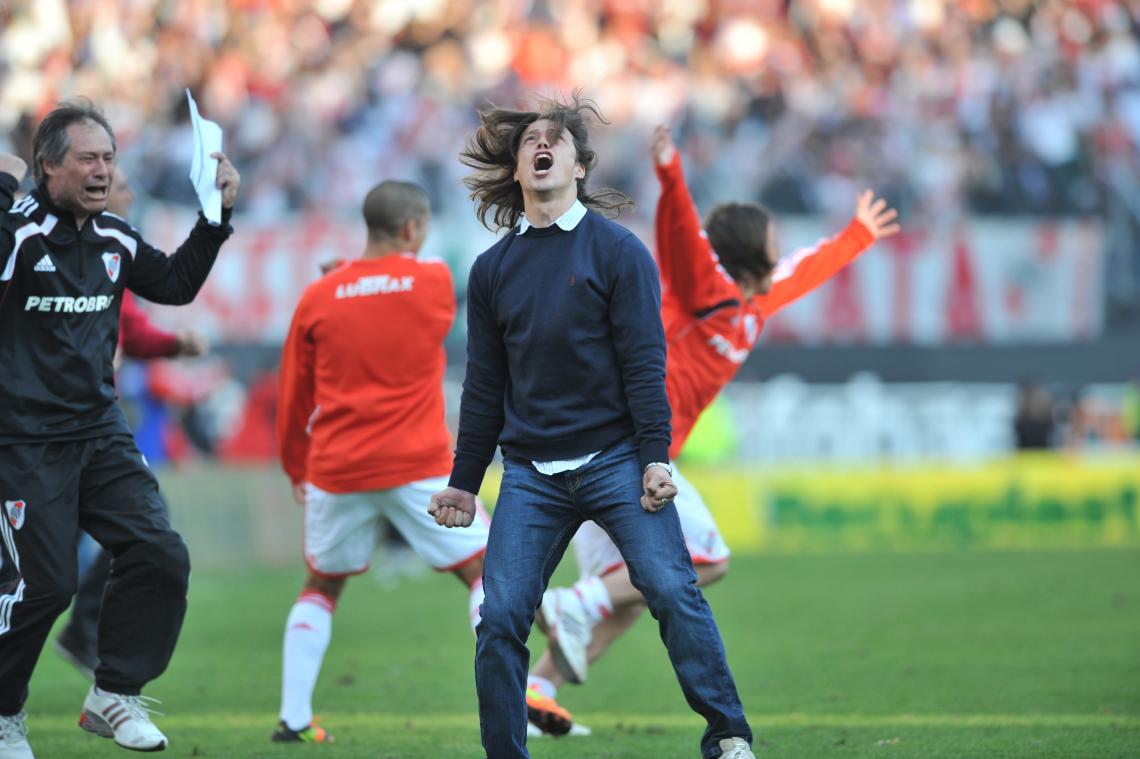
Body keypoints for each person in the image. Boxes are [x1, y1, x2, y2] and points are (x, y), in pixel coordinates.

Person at [525, 124, 901, 732]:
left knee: (634, 590)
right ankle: (572, 603)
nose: (781, 244)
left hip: (624, 446)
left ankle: (537, 688)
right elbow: (680, 238)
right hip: (624, 444)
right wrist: (672, 173)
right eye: (772, 236)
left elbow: (807, 270)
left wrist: (858, 235)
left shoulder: (755, 303)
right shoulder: (708, 289)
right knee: (708, 560)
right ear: (752, 247)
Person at [428, 94, 756, 759]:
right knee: (499, 620)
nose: (541, 147)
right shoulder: (491, 271)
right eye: (529, 142)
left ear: (579, 165)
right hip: (530, 476)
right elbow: (485, 386)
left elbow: (645, 363)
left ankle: (727, 735)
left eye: (556, 140)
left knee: (671, 586)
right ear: (519, 168)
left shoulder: (619, 252)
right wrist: (464, 482)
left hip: (615, 460)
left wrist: (655, 457)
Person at [0, 99, 240, 758]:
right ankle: (3, 713)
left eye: (109, 157)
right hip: (21, 440)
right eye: (88, 158)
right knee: (44, 587)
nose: (103, 170)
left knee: (160, 552)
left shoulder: (114, 237)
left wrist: (215, 216)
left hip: (99, 432)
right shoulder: (18, 232)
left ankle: (115, 692)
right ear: (48, 167)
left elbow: (175, 283)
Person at [274, 180, 489, 744]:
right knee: (486, 573)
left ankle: (293, 717)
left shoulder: (319, 295)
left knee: (321, 584)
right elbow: (402, 301)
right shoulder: (433, 281)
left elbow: (294, 393)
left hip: (337, 467)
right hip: (417, 463)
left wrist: (296, 466)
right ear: (413, 228)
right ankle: (511, 701)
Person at [53, 166, 209, 681]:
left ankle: (86, 636)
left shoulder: (112, 250)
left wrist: (174, 345)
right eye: (124, 184)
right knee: (41, 572)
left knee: (148, 530)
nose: (130, 192)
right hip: (40, 432)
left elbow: (129, 329)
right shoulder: (56, 250)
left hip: (91, 429)